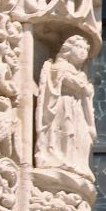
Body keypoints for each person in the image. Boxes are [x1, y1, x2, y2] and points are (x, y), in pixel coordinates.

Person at [36, 34, 96, 176]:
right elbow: (69, 83)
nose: (83, 51)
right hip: (63, 104)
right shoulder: (59, 67)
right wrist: (83, 87)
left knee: (81, 135)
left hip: (77, 108)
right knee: (67, 131)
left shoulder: (81, 74)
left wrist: (91, 125)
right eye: (79, 47)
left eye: (85, 49)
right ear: (68, 49)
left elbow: (86, 99)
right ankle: (63, 160)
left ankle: (77, 164)